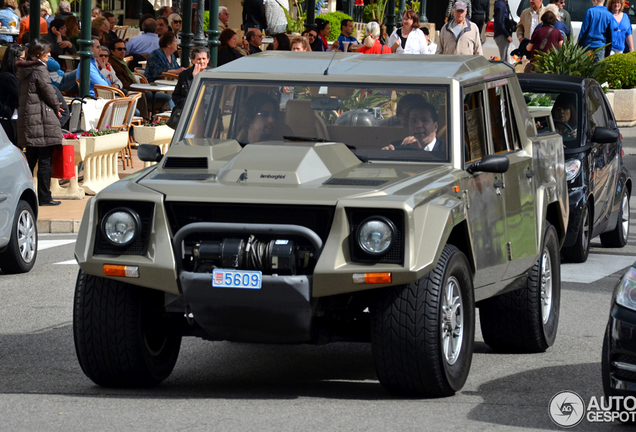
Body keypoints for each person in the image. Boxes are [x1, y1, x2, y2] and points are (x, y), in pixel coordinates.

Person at [17, 39, 63, 206]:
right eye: (47, 52)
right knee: (45, 160)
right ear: (38, 54)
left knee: (30, 160)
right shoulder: (39, 69)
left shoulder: (25, 70)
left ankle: (22, 195)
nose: (49, 55)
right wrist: (56, 105)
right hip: (41, 120)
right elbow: (48, 90)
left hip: (30, 120)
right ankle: (44, 197)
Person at [0, 44, 26, 146]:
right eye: (23, 58)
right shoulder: (8, 77)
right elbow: (21, 96)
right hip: (8, 119)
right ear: (15, 59)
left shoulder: (8, 75)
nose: (25, 61)